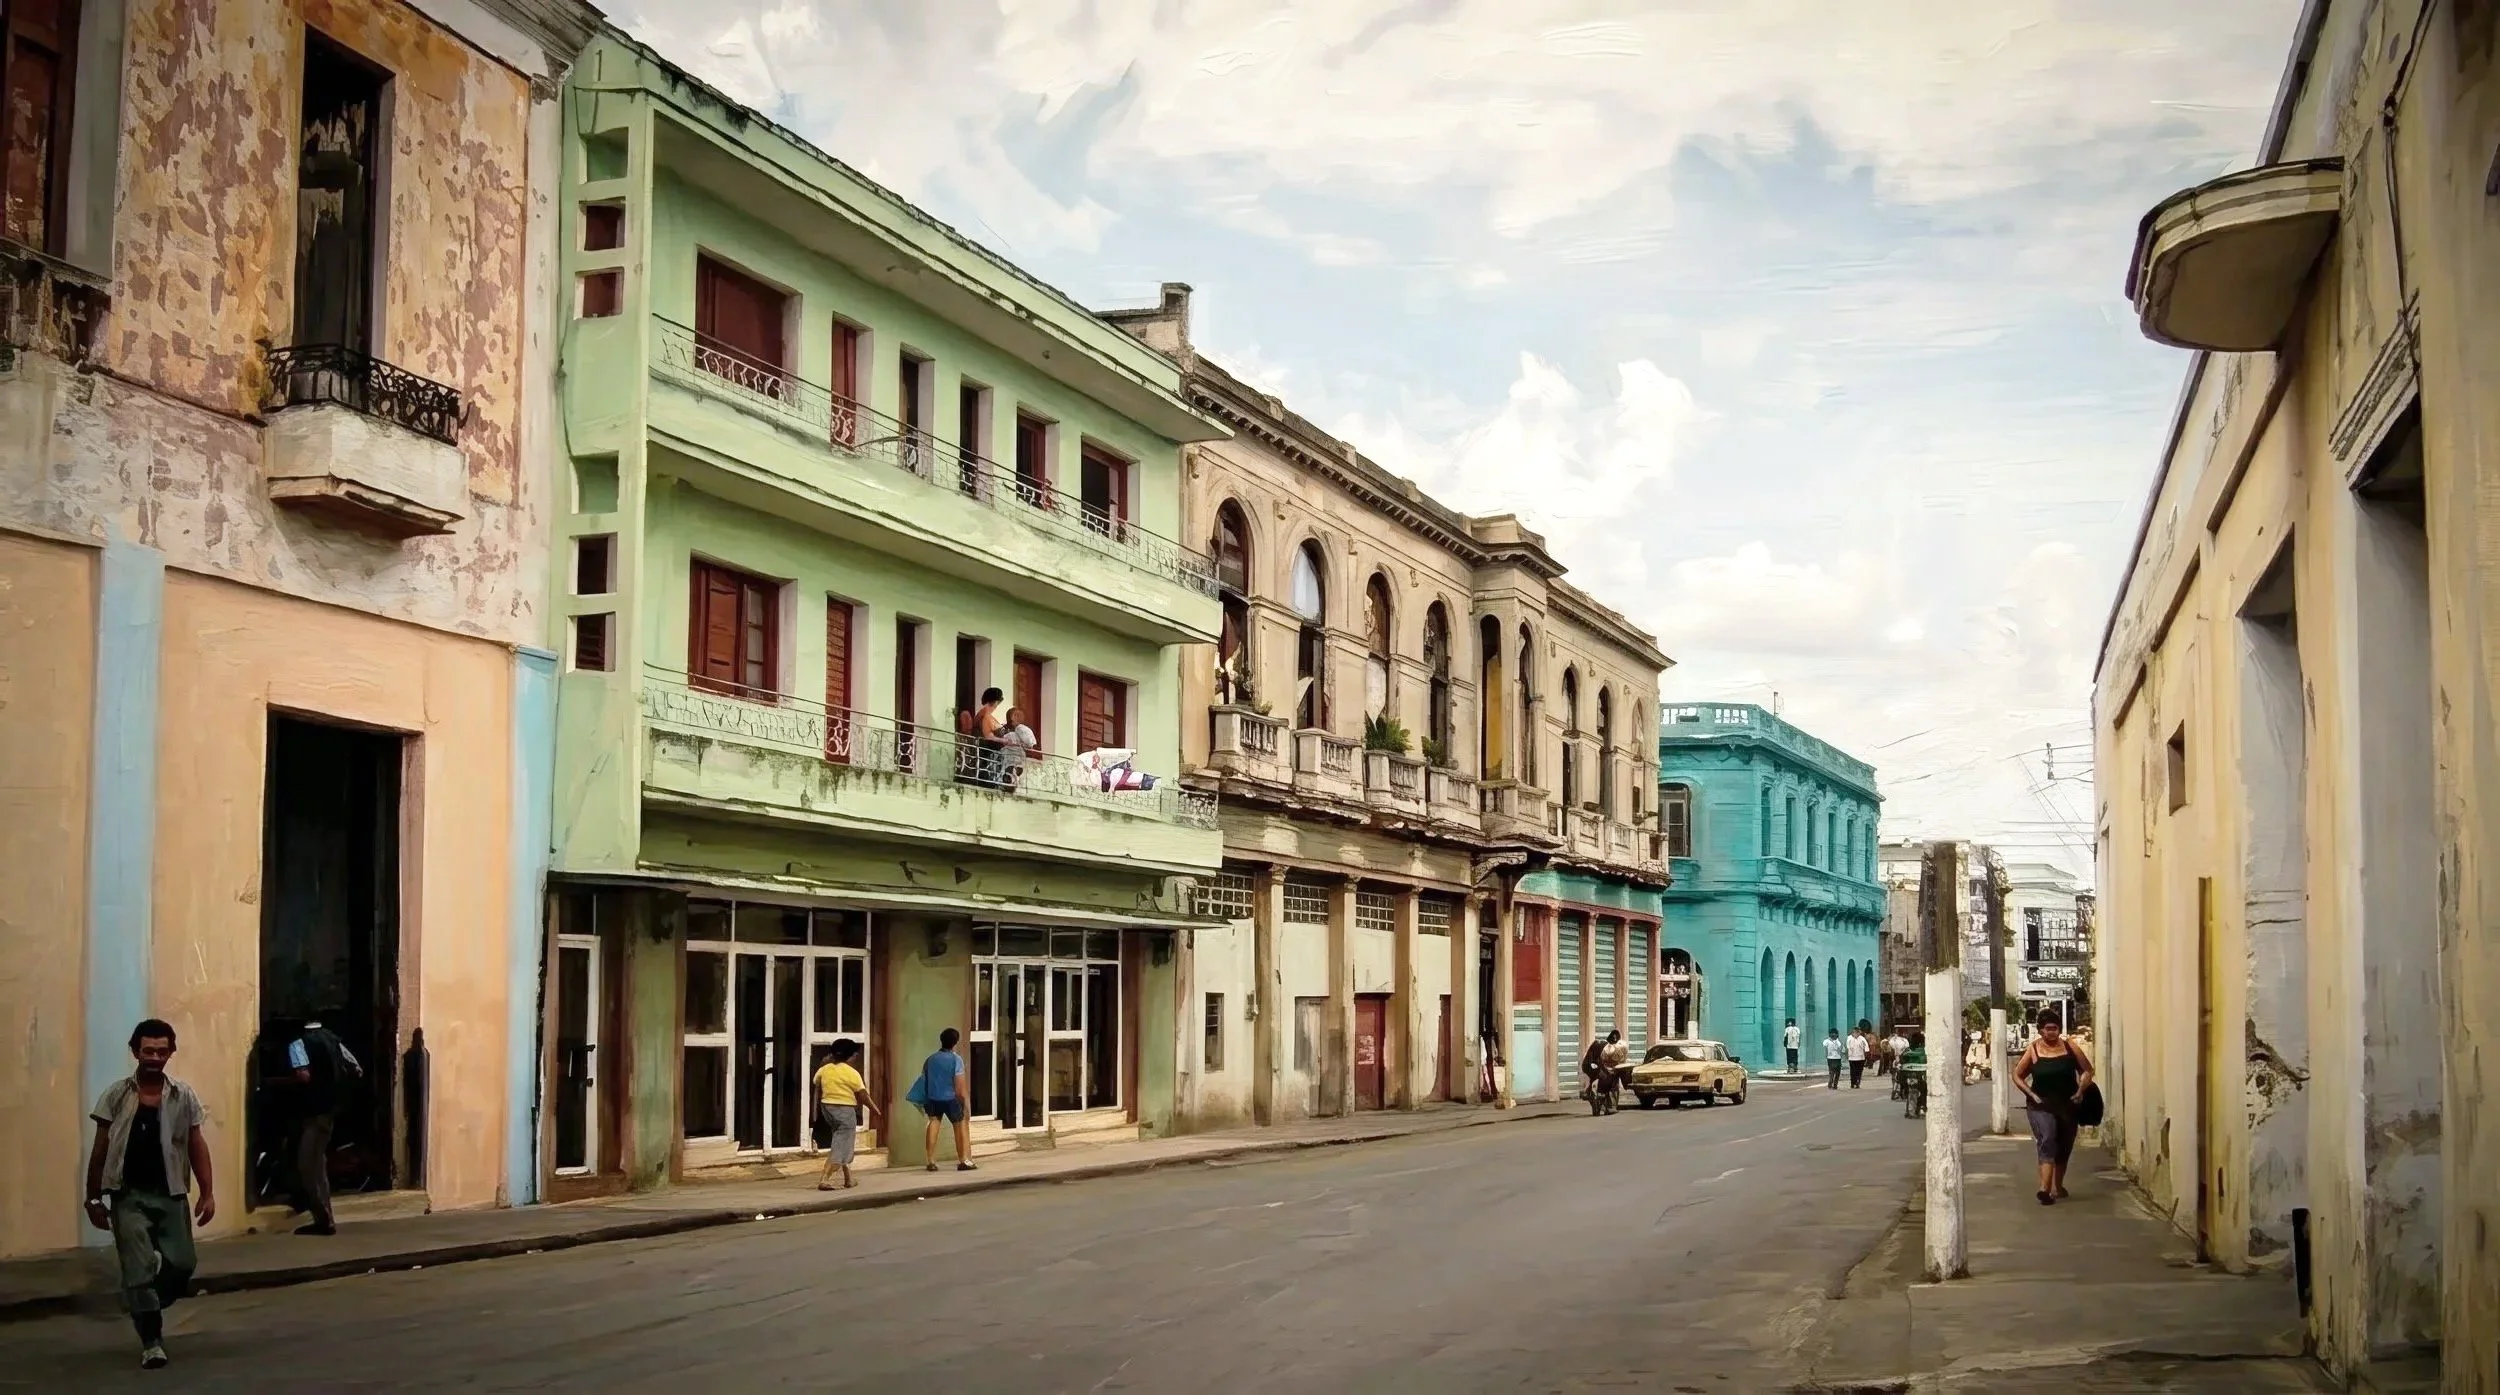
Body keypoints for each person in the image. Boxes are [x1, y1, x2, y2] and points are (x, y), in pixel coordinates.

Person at [86, 1019, 215, 1371]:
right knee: (139, 1271)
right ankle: (151, 1341)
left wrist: (207, 1192)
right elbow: (101, 1148)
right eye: (148, 1051)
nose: (155, 1058)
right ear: (135, 1052)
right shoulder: (117, 1094)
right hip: (128, 1196)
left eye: (162, 1051)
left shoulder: (182, 1095)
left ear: (171, 1052)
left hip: (170, 1193)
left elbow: (196, 1143)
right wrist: (93, 1197)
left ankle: (145, 1301)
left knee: (183, 1263)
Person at [285, 1017, 362, 1236]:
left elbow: (303, 1075)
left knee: (308, 1166)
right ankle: (326, 1217)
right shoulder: (333, 1040)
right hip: (330, 1112)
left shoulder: (298, 1044)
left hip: (312, 1112)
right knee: (319, 1166)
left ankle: (323, 1219)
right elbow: (356, 1069)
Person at [2013, 1007, 2095, 1205]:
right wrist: (2031, 1094)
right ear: (2040, 1030)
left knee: (2064, 1145)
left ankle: (2058, 1186)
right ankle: (2045, 1189)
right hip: (2041, 1105)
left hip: (2067, 1104)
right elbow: (2017, 1074)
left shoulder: (2070, 1047)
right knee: (2048, 1139)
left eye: (2055, 1028)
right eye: (2048, 1028)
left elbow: (2087, 1070)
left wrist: (2080, 1091)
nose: (2052, 1032)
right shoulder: (2033, 1050)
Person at [811, 1039, 876, 1191]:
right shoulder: (852, 1073)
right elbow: (863, 1095)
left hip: (827, 1108)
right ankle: (825, 1179)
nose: (855, 1058)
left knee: (840, 1141)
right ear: (850, 1056)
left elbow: (817, 1082)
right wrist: (874, 1109)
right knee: (842, 1146)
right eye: (855, 1055)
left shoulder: (825, 1069)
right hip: (845, 1110)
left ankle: (849, 1178)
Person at [914, 1028, 975, 1172]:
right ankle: (963, 1160)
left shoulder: (930, 1059)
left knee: (933, 1124)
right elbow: (960, 1087)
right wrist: (966, 1103)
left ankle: (931, 1161)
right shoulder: (956, 1059)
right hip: (950, 1098)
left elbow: (924, 1080)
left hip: (932, 1098)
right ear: (955, 1042)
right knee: (959, 1125)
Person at [996, 706, 1040, 790]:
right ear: (1011, 717)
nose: (1019, 717)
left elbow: (1030, 744)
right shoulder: (1003, 729)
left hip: (1019, 761)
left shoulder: (1022, 729)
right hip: (1006, 760)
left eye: (1020, 715)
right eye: (1016, 715)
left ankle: (1012, 780)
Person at [1845, 1021, 1870, 1089]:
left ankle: (1858, 1082)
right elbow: (1848, 1047)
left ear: (1859, 1032)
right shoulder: (1849, 1038)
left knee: (1859, 1071)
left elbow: (1866, 1047)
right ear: (1853, 1032)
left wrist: (1867, 1055)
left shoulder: (1862, 1038)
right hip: (1852, 1058)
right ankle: (1853, 1083)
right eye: (1855, 1032)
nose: (1856, 1034)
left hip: (1860, 1058)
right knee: (1853, 1071)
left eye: (1858, 1032)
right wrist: (1847, 1054)